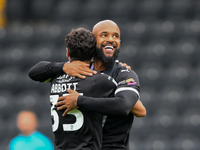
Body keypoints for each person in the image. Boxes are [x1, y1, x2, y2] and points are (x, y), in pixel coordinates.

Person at [29, 20, 146, 150]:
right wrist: (63, 67)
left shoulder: (122, 73)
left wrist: (80, 101)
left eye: (116, 36)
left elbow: (138, 110)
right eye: (104, 35)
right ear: (93, 42)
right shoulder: (77, 70)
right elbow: (34, 72)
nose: (111, 39)